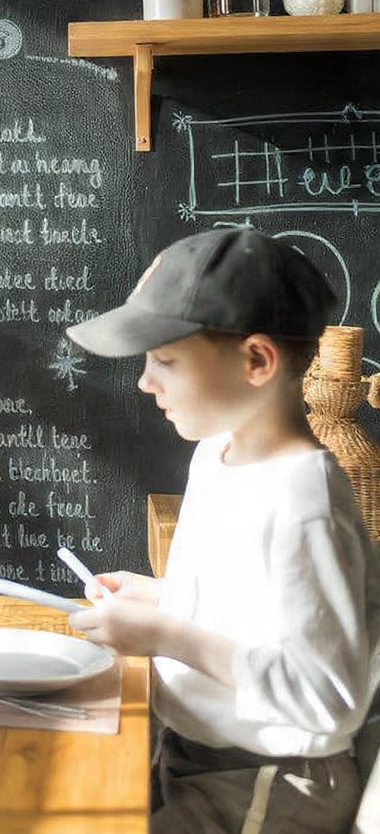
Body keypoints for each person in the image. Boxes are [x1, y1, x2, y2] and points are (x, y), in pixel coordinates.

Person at [65, 226, 380, 834]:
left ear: (257, 361)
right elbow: (253, 610)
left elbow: (328, 699)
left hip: (270, 783)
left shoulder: (304, 501)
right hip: (197, 756)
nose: (145, 381)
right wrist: (159, 598)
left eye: (165, 360)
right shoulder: (215, 453)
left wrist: (166, 635)